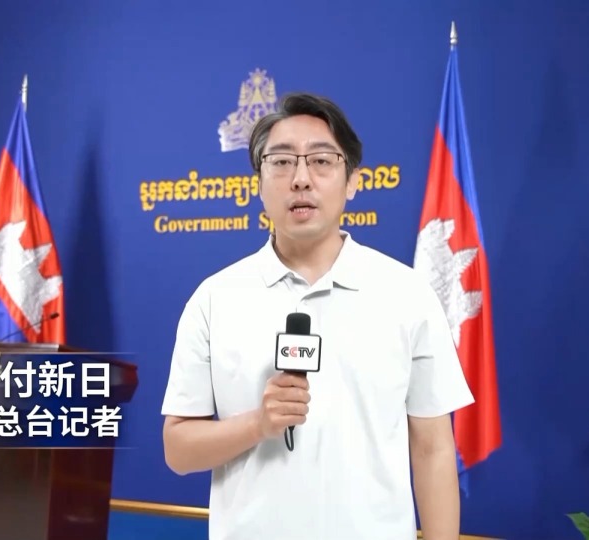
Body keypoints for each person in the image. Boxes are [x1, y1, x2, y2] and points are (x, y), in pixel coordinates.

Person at [160, 92, 475, 540]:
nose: (301, 179)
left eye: (322, 161)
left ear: (352, 182)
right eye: (282, 162)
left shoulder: (407, 295)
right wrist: (258, 424)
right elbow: (178, 450)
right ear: (259, 183)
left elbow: (433, 449)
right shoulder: (214, 299)